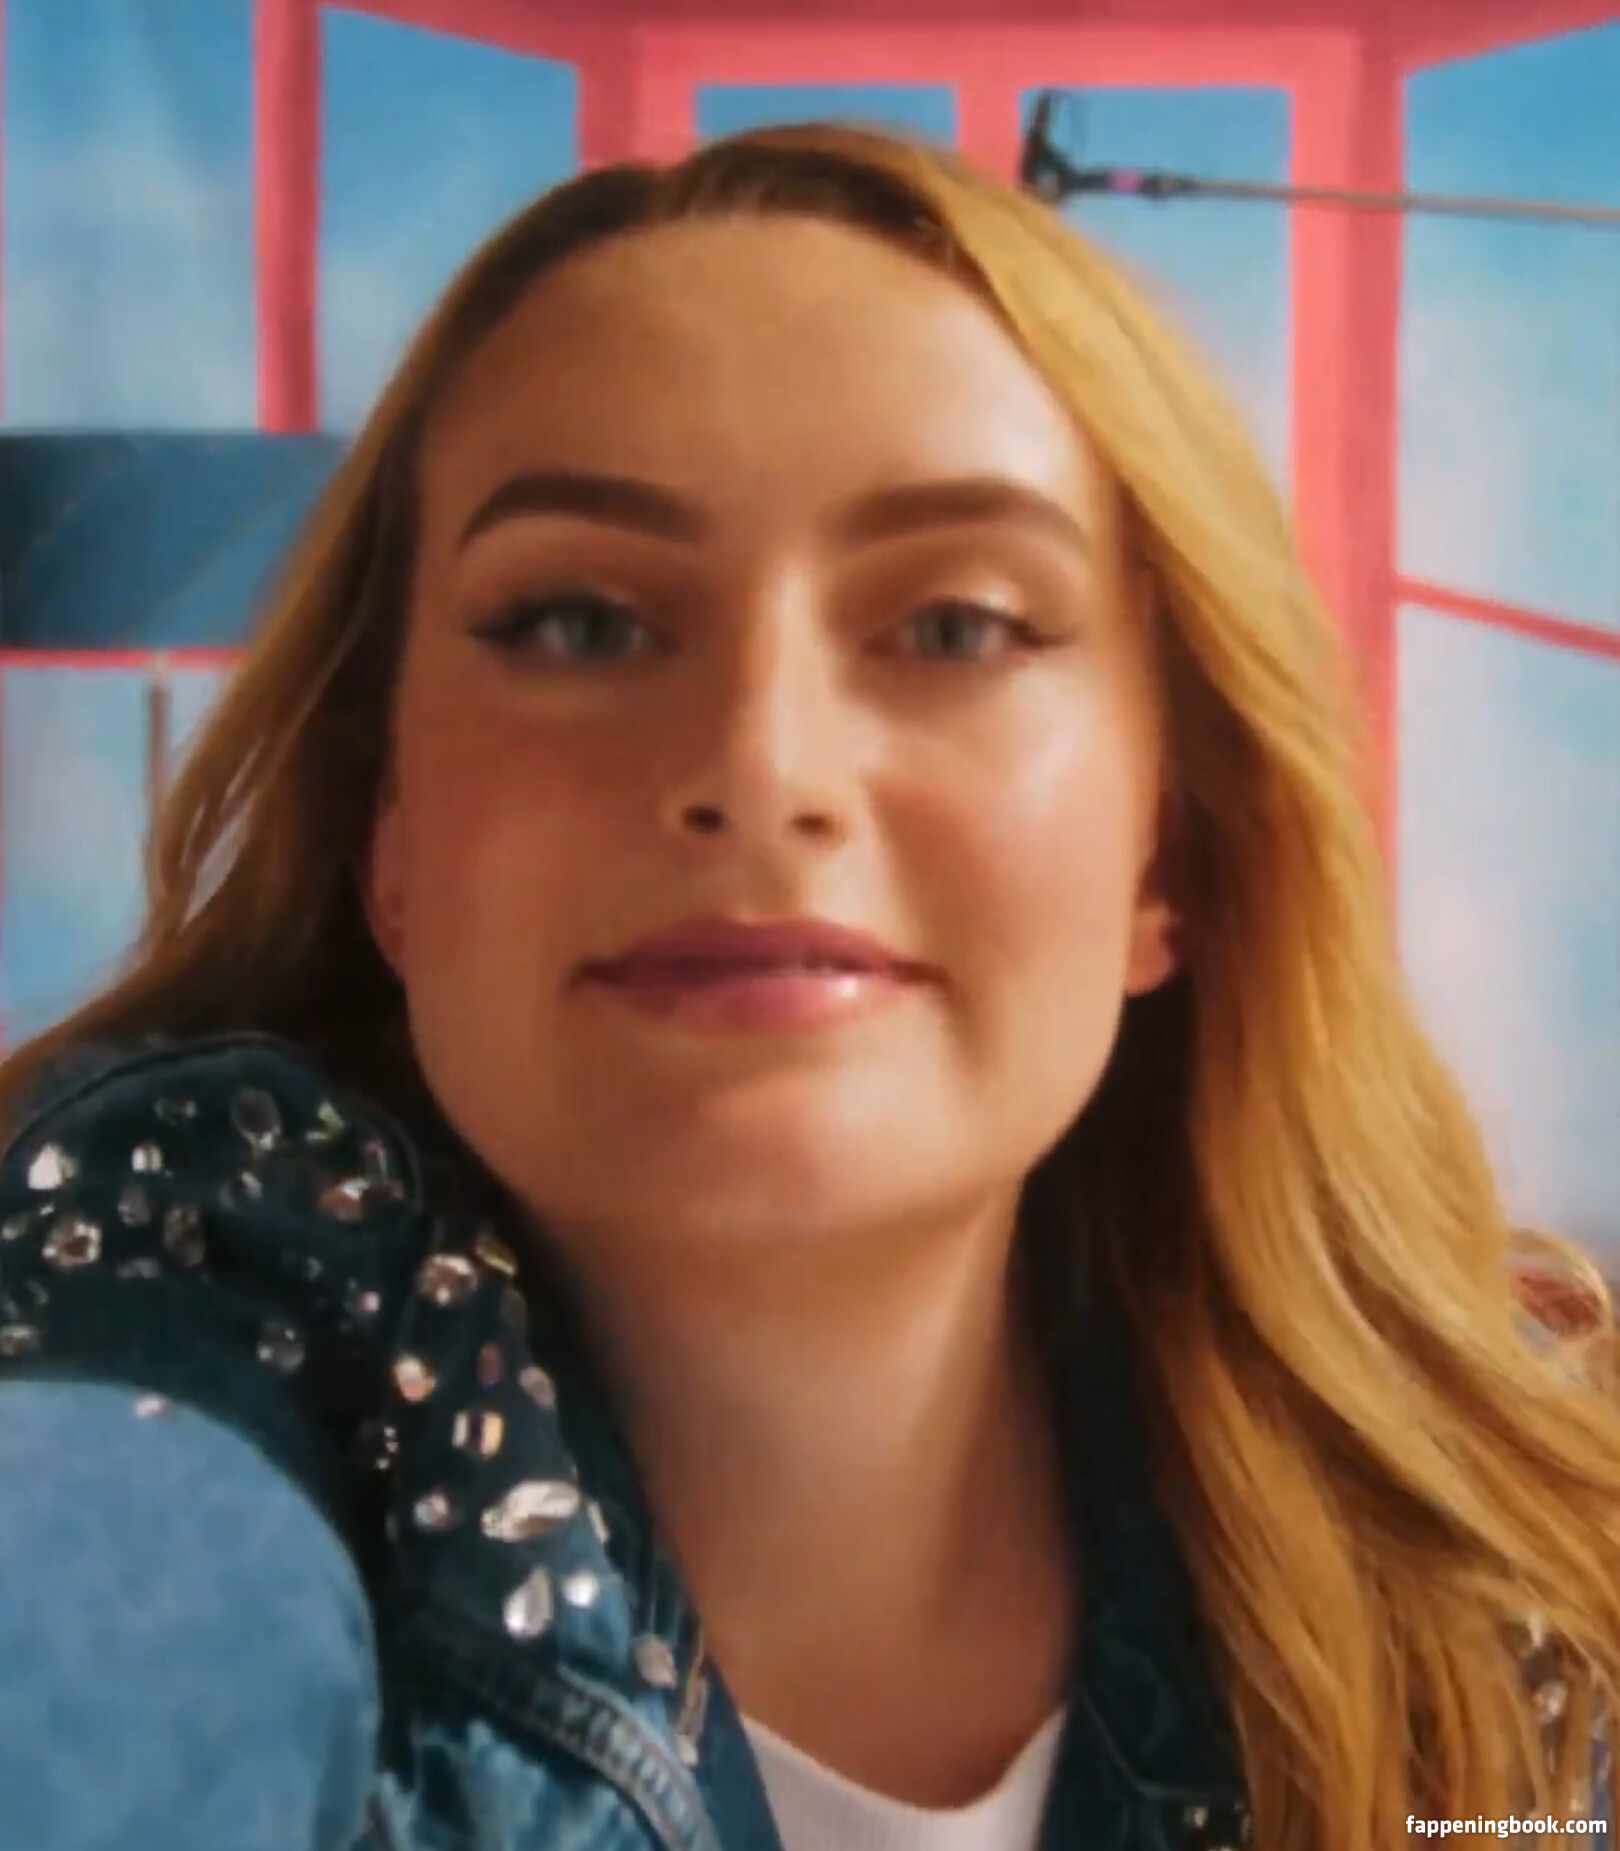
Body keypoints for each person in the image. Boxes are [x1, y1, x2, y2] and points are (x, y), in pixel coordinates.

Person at [0, 122, 1614, 1851]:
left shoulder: (1529, 1576)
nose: (761, 769)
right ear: (387, 836)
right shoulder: (155, 1316)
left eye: (958, 625)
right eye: (578, 622)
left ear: (1172, 856)